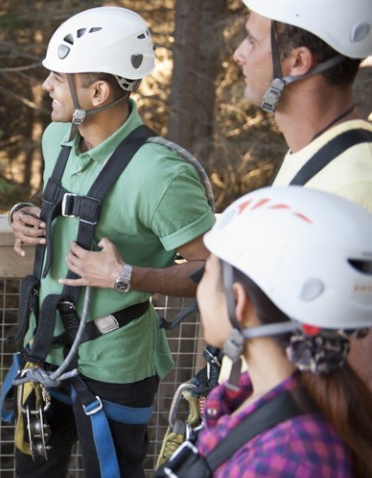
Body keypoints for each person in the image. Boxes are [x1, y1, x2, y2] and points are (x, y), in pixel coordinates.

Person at [3, 6, 216, 477]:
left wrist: (124, 276)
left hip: (118, 364)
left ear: (97, 92)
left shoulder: (160, 174)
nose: (46, 87)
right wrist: (22, 215)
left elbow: (213, 272)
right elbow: (61, 205)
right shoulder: (57, 138)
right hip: (45, 351)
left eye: (58, 77)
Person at [157, 186, 372, 477]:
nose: (200, 291)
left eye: (205, 274)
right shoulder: (253, 396)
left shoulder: (287, 460)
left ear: (239, 302)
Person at [232, 0, 372, 393]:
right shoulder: (313, 155)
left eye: (252, 41)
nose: (238, 54)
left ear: (297, 62)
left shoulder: (353, 185)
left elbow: (354, 374)